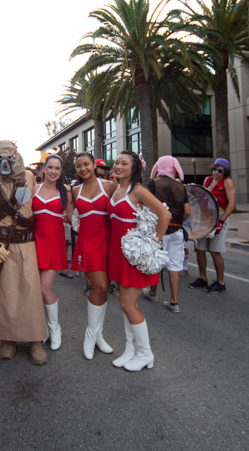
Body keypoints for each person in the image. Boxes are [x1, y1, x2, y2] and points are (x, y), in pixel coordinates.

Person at [0, 141, 47, 365]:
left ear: (16, 155)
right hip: (1, 248)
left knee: (30, 292)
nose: (4, 161)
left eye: (8, 156)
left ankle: (35, 340)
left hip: (26, 245)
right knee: (5, 293)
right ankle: (7, 339)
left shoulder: (27, 177)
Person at [108, 151, 170, 372]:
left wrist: (153, 243)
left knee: (127, 304)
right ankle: (130, 349)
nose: (118, 166)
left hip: (134, 257)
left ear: (134, 168)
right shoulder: (117, 189)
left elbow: (165, 214)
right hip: (118, 254)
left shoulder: (138, 190)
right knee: (126, 305)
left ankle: (145, 354)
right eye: (116, 162)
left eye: (124, 163)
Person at [71, 152, 117, 360]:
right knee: (99, 286)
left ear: (94, 165)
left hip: (108, 243)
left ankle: (98, 336)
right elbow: (73, 216)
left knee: (104, 288)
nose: (83, 169)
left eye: (86, 164)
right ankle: (90, 336)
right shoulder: (74, 190)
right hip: (88, 244)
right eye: (79, 166)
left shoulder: (108, 186)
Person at [33, 154, 73, 351]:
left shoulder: (66, 193)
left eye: (57, 168)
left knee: (44, 289)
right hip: (33, 245)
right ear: (43, 169)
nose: (53, 171)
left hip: (53, 246)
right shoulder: (33, 190)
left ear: (60, 171)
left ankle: (55, 329)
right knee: (34, 291)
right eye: (50, 167)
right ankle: (43, 330)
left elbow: (75, 219)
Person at [142, 156, 190, 314]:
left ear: (158, 167)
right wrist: (178, 221)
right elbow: (187, 211)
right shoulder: (181, 187)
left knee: (155, 262)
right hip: (177, 230)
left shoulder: (153, 183)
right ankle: (174, 302)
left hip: (158, 230)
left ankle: (153, 293)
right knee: (174, 266)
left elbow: (145, 205)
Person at [188, 158, 236, 293]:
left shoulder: (227, 182)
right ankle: (203, 278)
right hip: (205, 217)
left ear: (225, 171)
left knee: (215, 251)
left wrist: (222, 221)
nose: (216, 172)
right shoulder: (208, 180)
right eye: (215, 169)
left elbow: (231, 204)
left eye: (220, 170)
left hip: (219, 216)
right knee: (200, 249)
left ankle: (220, 281)